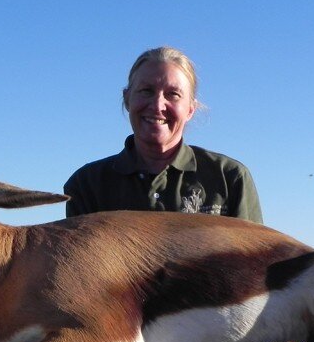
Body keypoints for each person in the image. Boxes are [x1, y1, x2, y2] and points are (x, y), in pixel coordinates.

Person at [64, 47, 263, 223]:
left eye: (173, 94)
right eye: (146, 91)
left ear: (191, 109)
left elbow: (257, 259)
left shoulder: (230, 177)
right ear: (127, 99)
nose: (158, 105)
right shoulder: (86, 185)